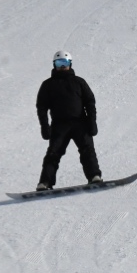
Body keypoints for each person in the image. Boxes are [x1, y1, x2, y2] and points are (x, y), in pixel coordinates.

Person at [36, 51, 102, 191]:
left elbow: (90, 102)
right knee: (53, 154)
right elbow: (41, 107)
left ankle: (94, 176)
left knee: (87, 150)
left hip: (80, 123)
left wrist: (92, 122)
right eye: (59, 63)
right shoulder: (48, 85)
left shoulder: (79, 82)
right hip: (59, 126)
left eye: (64, 63)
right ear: (54, 65)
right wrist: (44, 126)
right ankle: (45, 183)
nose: (62, 67)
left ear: (70, 64)